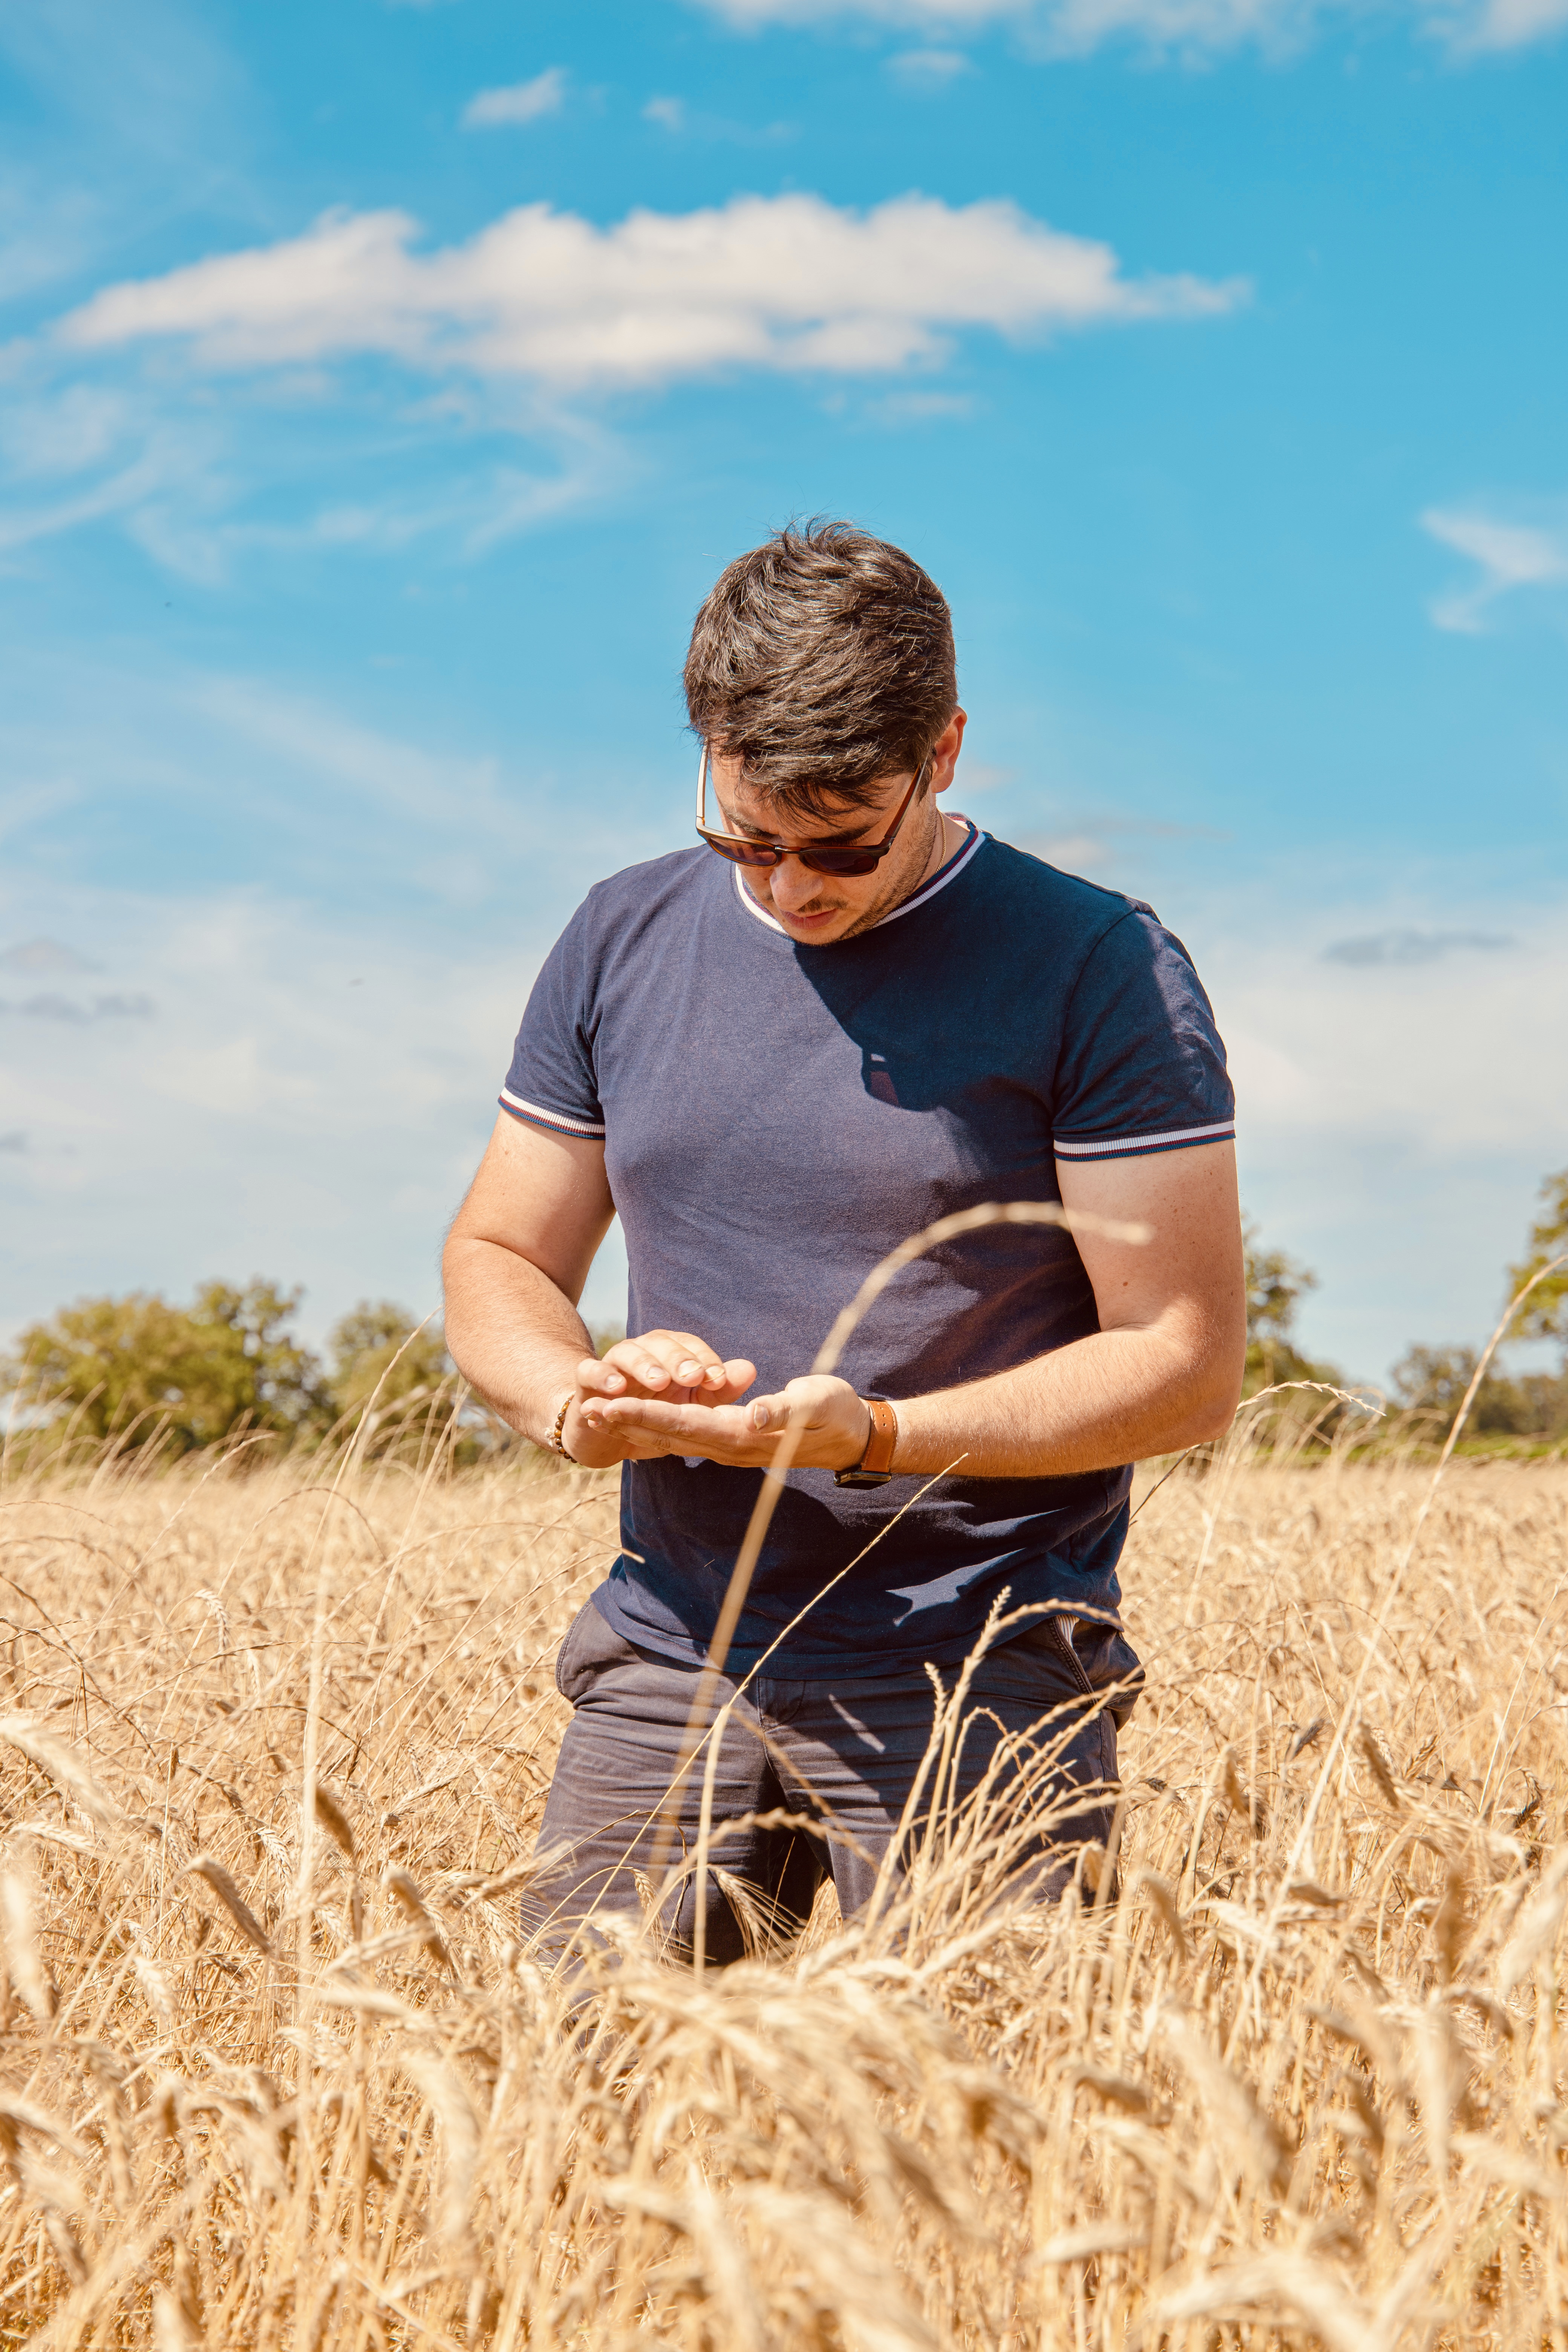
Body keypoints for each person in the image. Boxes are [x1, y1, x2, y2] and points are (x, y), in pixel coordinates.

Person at [442, 521, 1245, 1963]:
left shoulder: (1102, 965)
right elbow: (502, 1253)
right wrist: (580, 1399)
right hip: (674, 1644)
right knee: (559, 2118)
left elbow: (1183, 1366)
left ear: (943, 752)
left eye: (841, 843)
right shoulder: (619, 934)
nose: (791, 887)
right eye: (746, 835)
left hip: (980, 1671)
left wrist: (869, 1434)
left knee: (980, 2136)